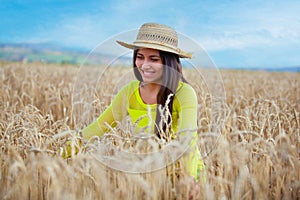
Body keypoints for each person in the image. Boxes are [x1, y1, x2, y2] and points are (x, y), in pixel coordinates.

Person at [61, 23, 205, 184]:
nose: (144, 65)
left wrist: (190, 178)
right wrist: (57, 154)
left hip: (185, 175)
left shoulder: (184, 93)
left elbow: (188, 139)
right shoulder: (129, 92)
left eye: (154, 59)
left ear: (168, 62)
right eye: (140, 57)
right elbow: (98, 127)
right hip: (150, 177)